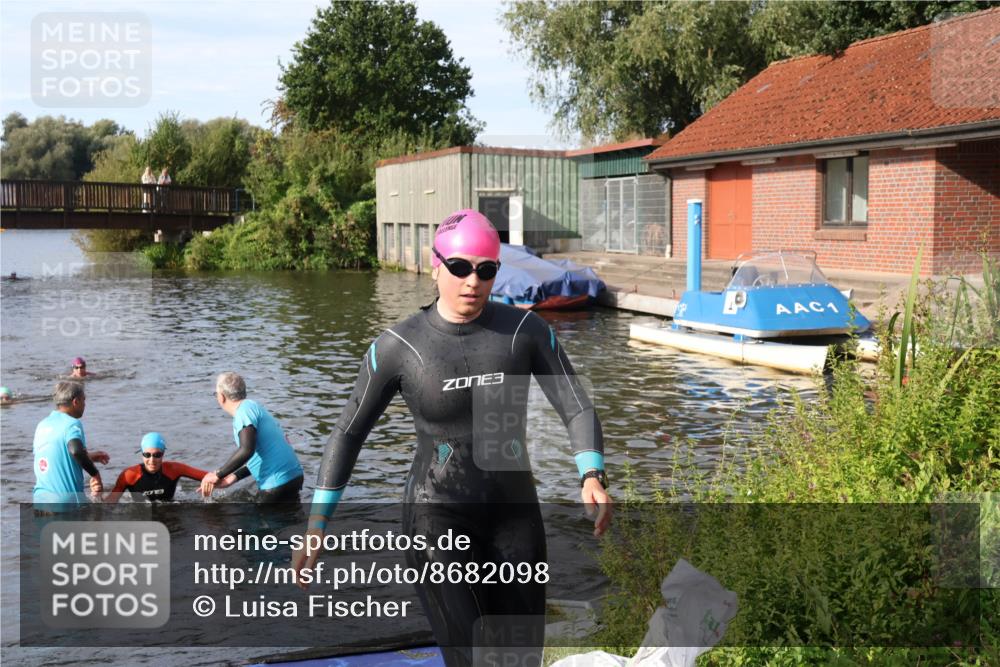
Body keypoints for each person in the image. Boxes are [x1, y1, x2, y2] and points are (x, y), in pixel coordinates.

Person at [292, 209, 612, 667]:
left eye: (487, 270)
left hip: (513, 515)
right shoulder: (398, 346)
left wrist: (591, 473)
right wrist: (317, 525)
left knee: (520, 658)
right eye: (461, 267)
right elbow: (347, 433)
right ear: (436, 264)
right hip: (436, 516)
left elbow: (576, 403)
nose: (473, 281)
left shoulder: (524, 331)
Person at [200, 372, 304, 503]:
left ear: (221, 397)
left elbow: (246, 450)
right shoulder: (253, 406)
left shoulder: (243, 413)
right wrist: (233, 477)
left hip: (276, 484)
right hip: (294, 477)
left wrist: (217, 474)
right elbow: (261, 454)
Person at [33, 381, 110, 508]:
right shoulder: (71, 423)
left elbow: (57, 456)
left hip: (40, 500)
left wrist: (89, 457)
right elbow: (76, 451)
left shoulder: (42, 425)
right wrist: (95, 475)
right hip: (66, 502)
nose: (85, 405)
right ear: (76, 402)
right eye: (84, 400)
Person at [104, 432, 209, 503]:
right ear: (142, 454)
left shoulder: (174, 469)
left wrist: (216, 481)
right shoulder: (129, 475)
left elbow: (210, 476)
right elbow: (109, 503)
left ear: (163, 454)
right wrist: (96, 495)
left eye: (157, 455)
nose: (152, 460)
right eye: (147, 455)